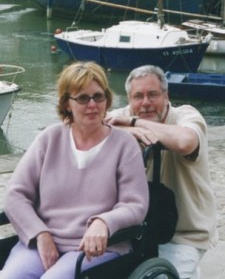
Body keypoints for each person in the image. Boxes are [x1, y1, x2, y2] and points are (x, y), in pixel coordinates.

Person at [2, 61, 149, 279]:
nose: (92, 104)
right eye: (82, 98)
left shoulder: (124, 145)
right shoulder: (49, 139)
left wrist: (104, 222)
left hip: (96, 248)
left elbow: (135, 204)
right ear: (66, 104)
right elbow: (16, 195)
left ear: (107, 99)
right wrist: (40, 233)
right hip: (45, 240)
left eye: (98, 96)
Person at [105, 65, 217, 279]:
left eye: (153, 94)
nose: (145, 102)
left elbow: (185, 142)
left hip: (185, 233)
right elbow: (78, 123)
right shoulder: (121, 116)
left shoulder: (186, 115)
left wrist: (136, 122)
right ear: (129, 99)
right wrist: (130, 130)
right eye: (138, 96)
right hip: (141, 231)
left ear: (167, 96)